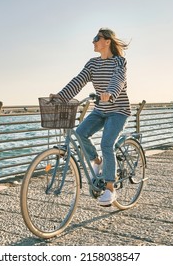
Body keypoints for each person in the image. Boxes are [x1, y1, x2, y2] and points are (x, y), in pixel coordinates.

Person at [50, 28, 131, 206]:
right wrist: (61, 96)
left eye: (97, 38)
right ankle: (97, 160)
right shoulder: (93, 64)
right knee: (80, 133)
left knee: (106, 143)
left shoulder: (119, 62)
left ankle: (110, 188)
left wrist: (110, 93)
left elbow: (118, 79)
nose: (93, 42)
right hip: (100, 109)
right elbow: (78, 80)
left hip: (118, 110)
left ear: (107, 41)